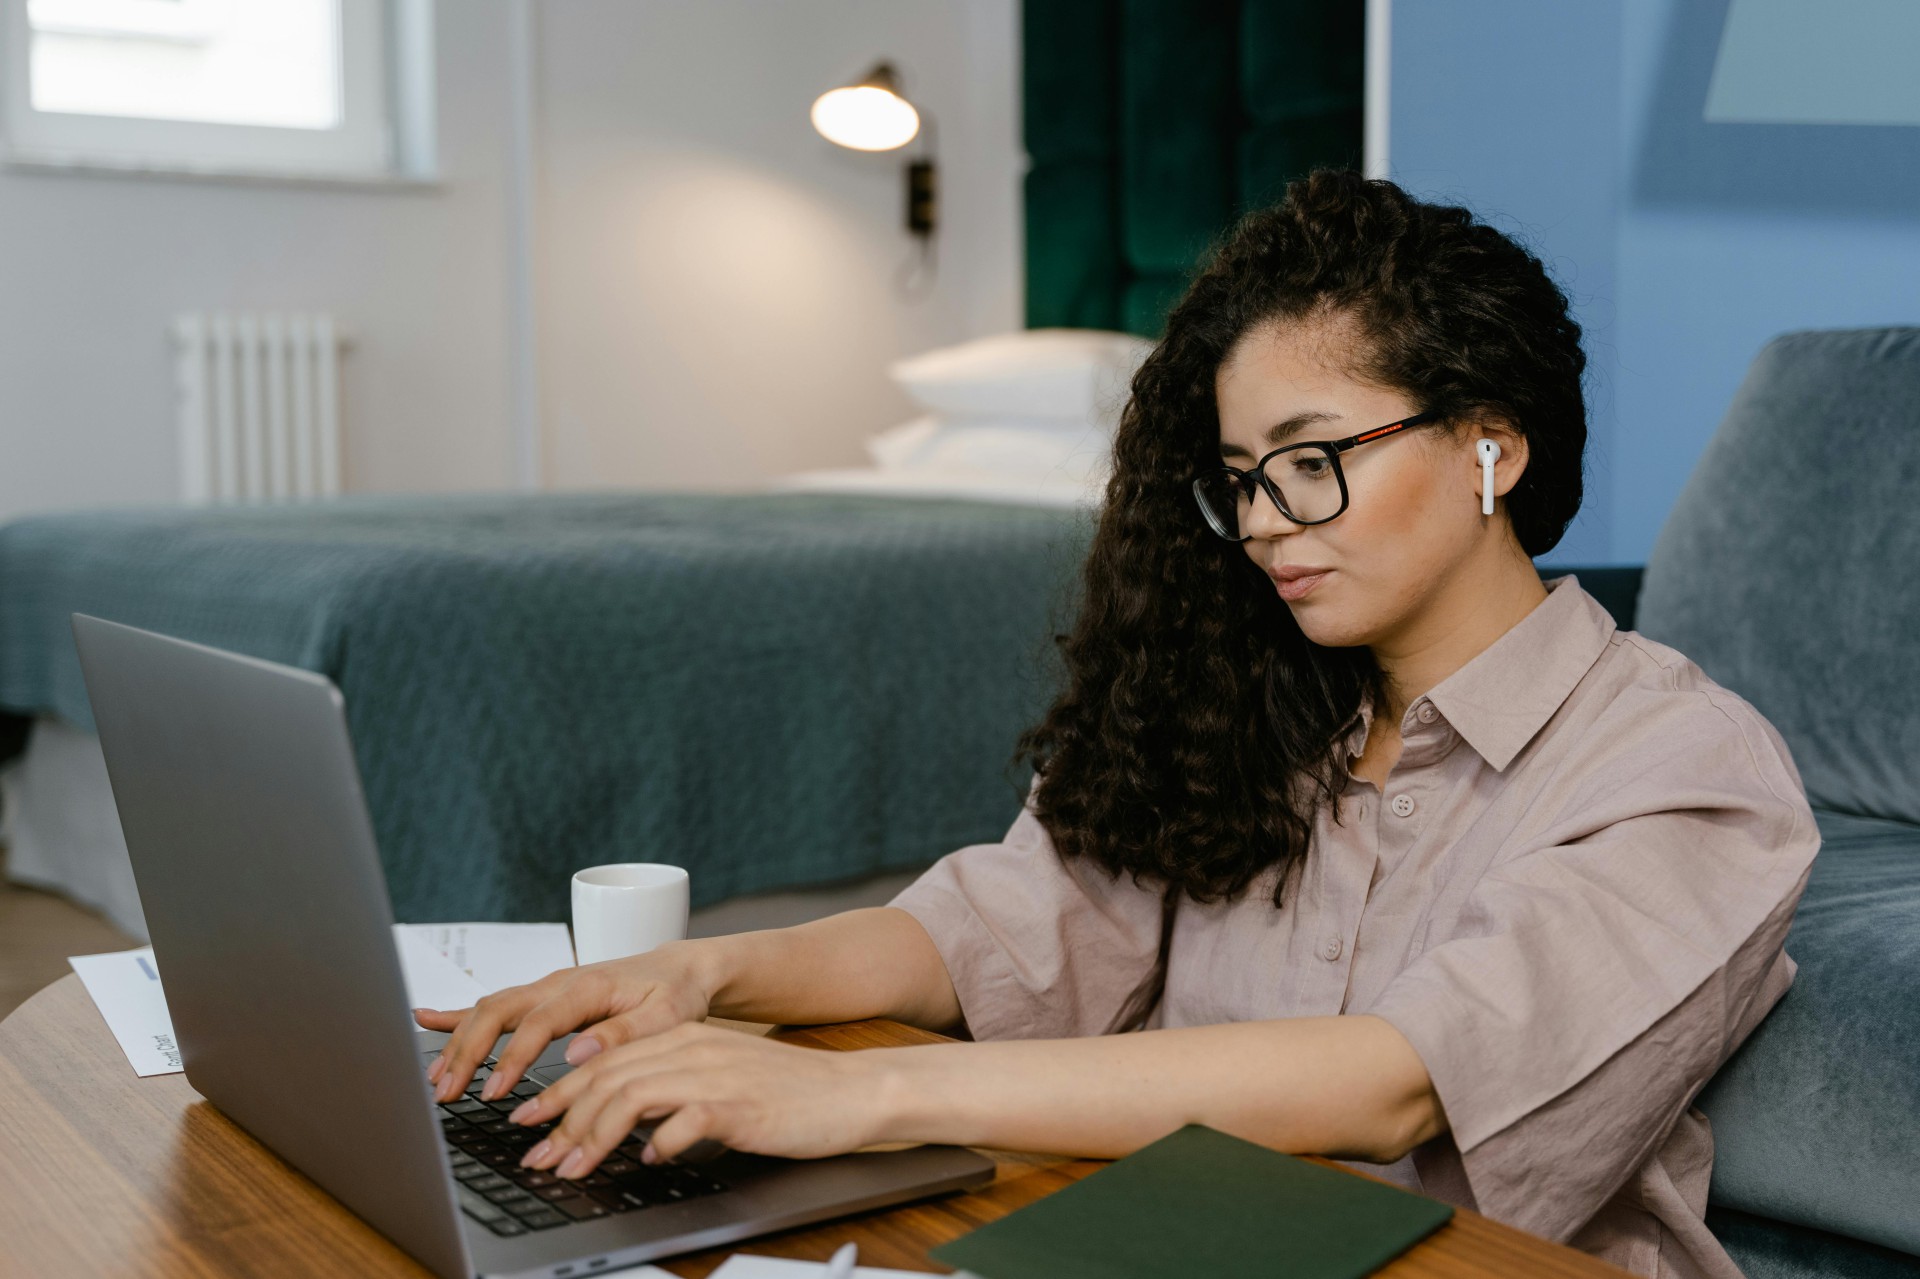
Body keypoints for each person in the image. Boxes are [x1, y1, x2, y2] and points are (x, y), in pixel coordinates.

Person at [415, 169, 1819, 1278]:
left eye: (1313, 464)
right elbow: (996, 928)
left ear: (1488, 449)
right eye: (1240, 480)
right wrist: (713, 978)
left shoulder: (1684, 770)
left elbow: (1395, 1086)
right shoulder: (1256, 704)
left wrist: (870, 1100)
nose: (1267, 526)